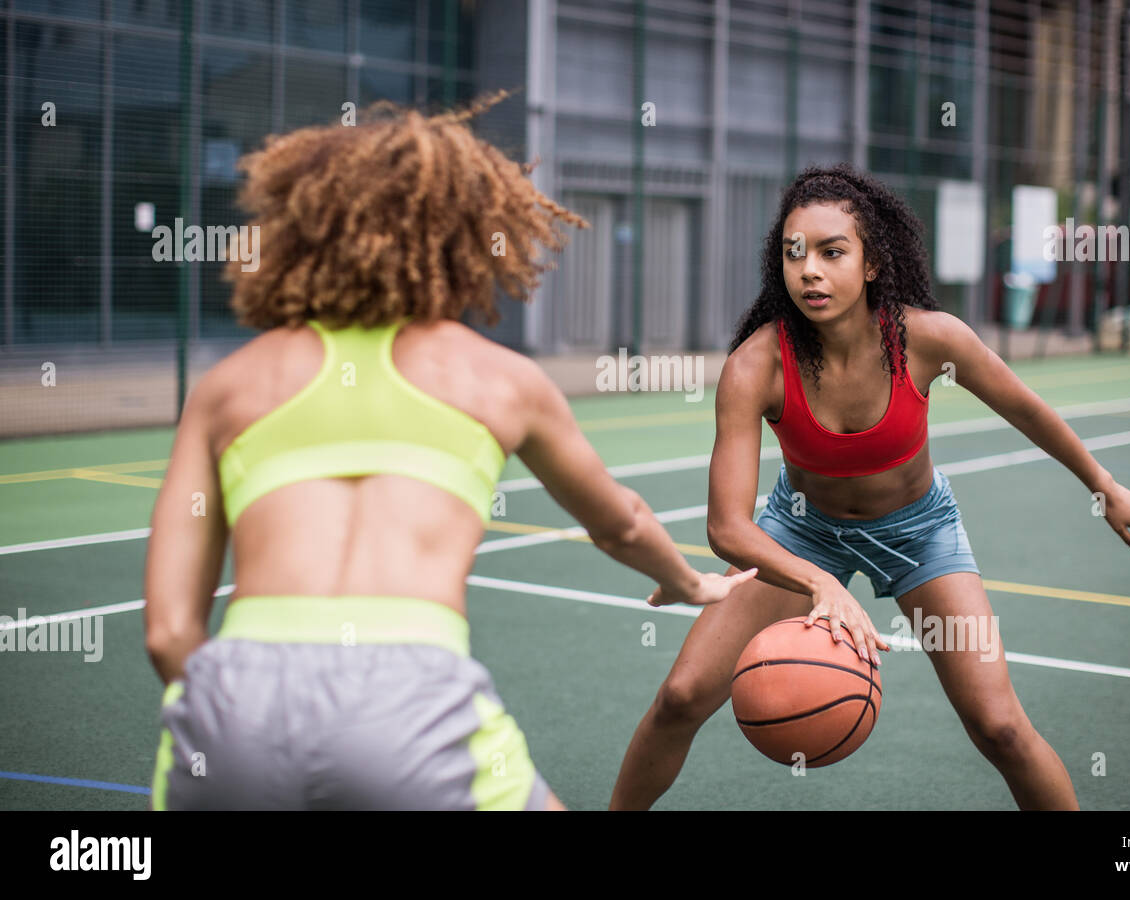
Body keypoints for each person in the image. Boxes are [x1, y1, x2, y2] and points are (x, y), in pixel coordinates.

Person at [143, 91, 752, 811]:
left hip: (229, 710)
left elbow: (168, 633)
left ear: (305, 229)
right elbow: (619, 522)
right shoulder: (498, 380)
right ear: (465, 235)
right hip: (406, 700)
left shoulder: (228, 387)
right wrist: (690, 583)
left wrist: (237, 715)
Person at [609, 164, 1130, 810]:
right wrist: (818, 581)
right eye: (795, 253)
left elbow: (1028, 410)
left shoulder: (928, 339)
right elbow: (727, 527)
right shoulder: (755, 365)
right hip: (802, 531)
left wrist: (1105, 485)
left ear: (871, 264)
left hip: (919, 533)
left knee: (1000, 727)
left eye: (832, 252)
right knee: (679, 700)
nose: (810, 269)